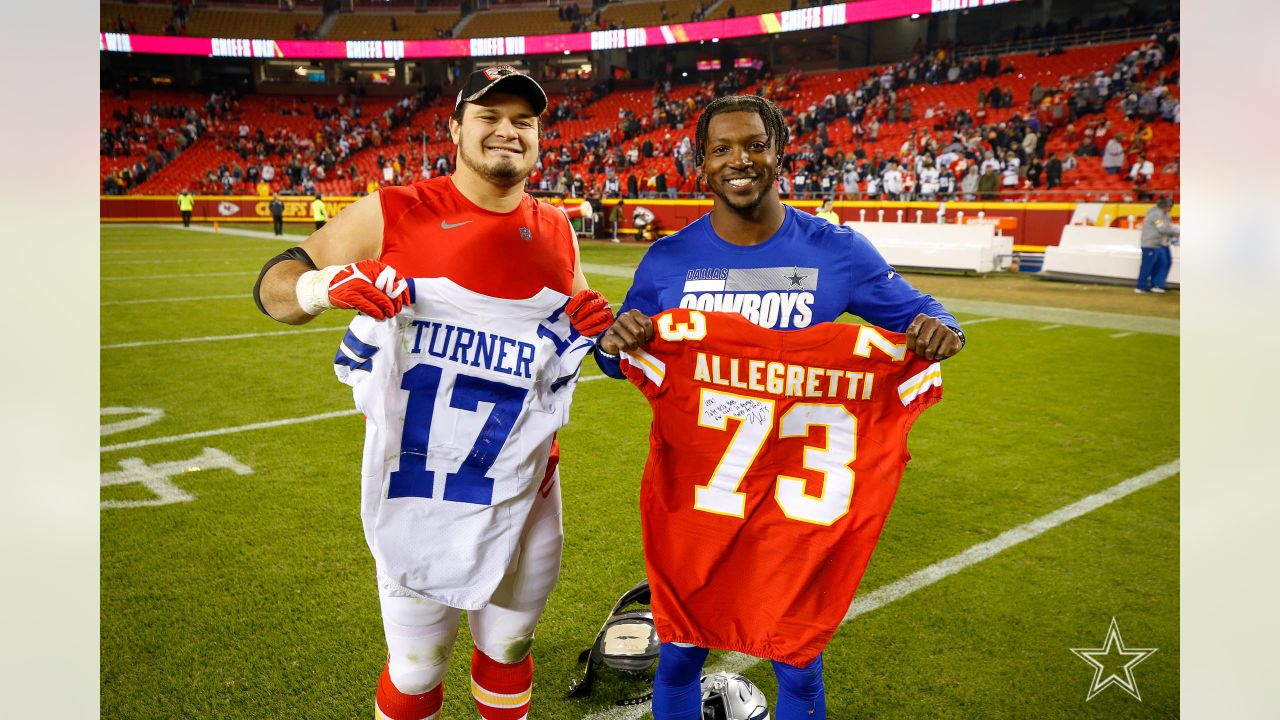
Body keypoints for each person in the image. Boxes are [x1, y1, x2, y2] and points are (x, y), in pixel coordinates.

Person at [251, 64, 614, 720]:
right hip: (417, 490)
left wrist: (603, 333)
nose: (508, 131)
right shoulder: (394, 211)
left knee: (507, 645)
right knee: (416, 672)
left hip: (526, 487)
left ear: (539, 139)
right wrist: (317, 289)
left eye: (524, 122)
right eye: (490, 117)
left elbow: (584, 329)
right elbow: (274, 285)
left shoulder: (557, 228)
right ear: (453, 129)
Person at [593, 95, 964, 720]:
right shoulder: (667, 261)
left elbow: (926, 312)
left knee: (796, 661)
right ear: (701, 164)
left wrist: (942, 328)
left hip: (795, 507)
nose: (739, 160)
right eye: (721, 149)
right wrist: (614, 341)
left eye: (754, 145)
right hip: (704, 496)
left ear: (778, 151)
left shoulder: (837, 251)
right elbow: (614, 357)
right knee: (681, 651)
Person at [1136, 195, 1179, 293]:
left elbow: (1165, 227)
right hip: (1150, 244)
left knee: (1160, 264)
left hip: (1158, 244)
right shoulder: (1156, 215)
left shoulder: (1164, 215)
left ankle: (1156, 285)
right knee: (1147, 266)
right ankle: (1141, 286)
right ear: (1164, 206)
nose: (1169, 209)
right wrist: (1176, 231)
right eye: (1168, 207)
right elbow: (1162, 228)